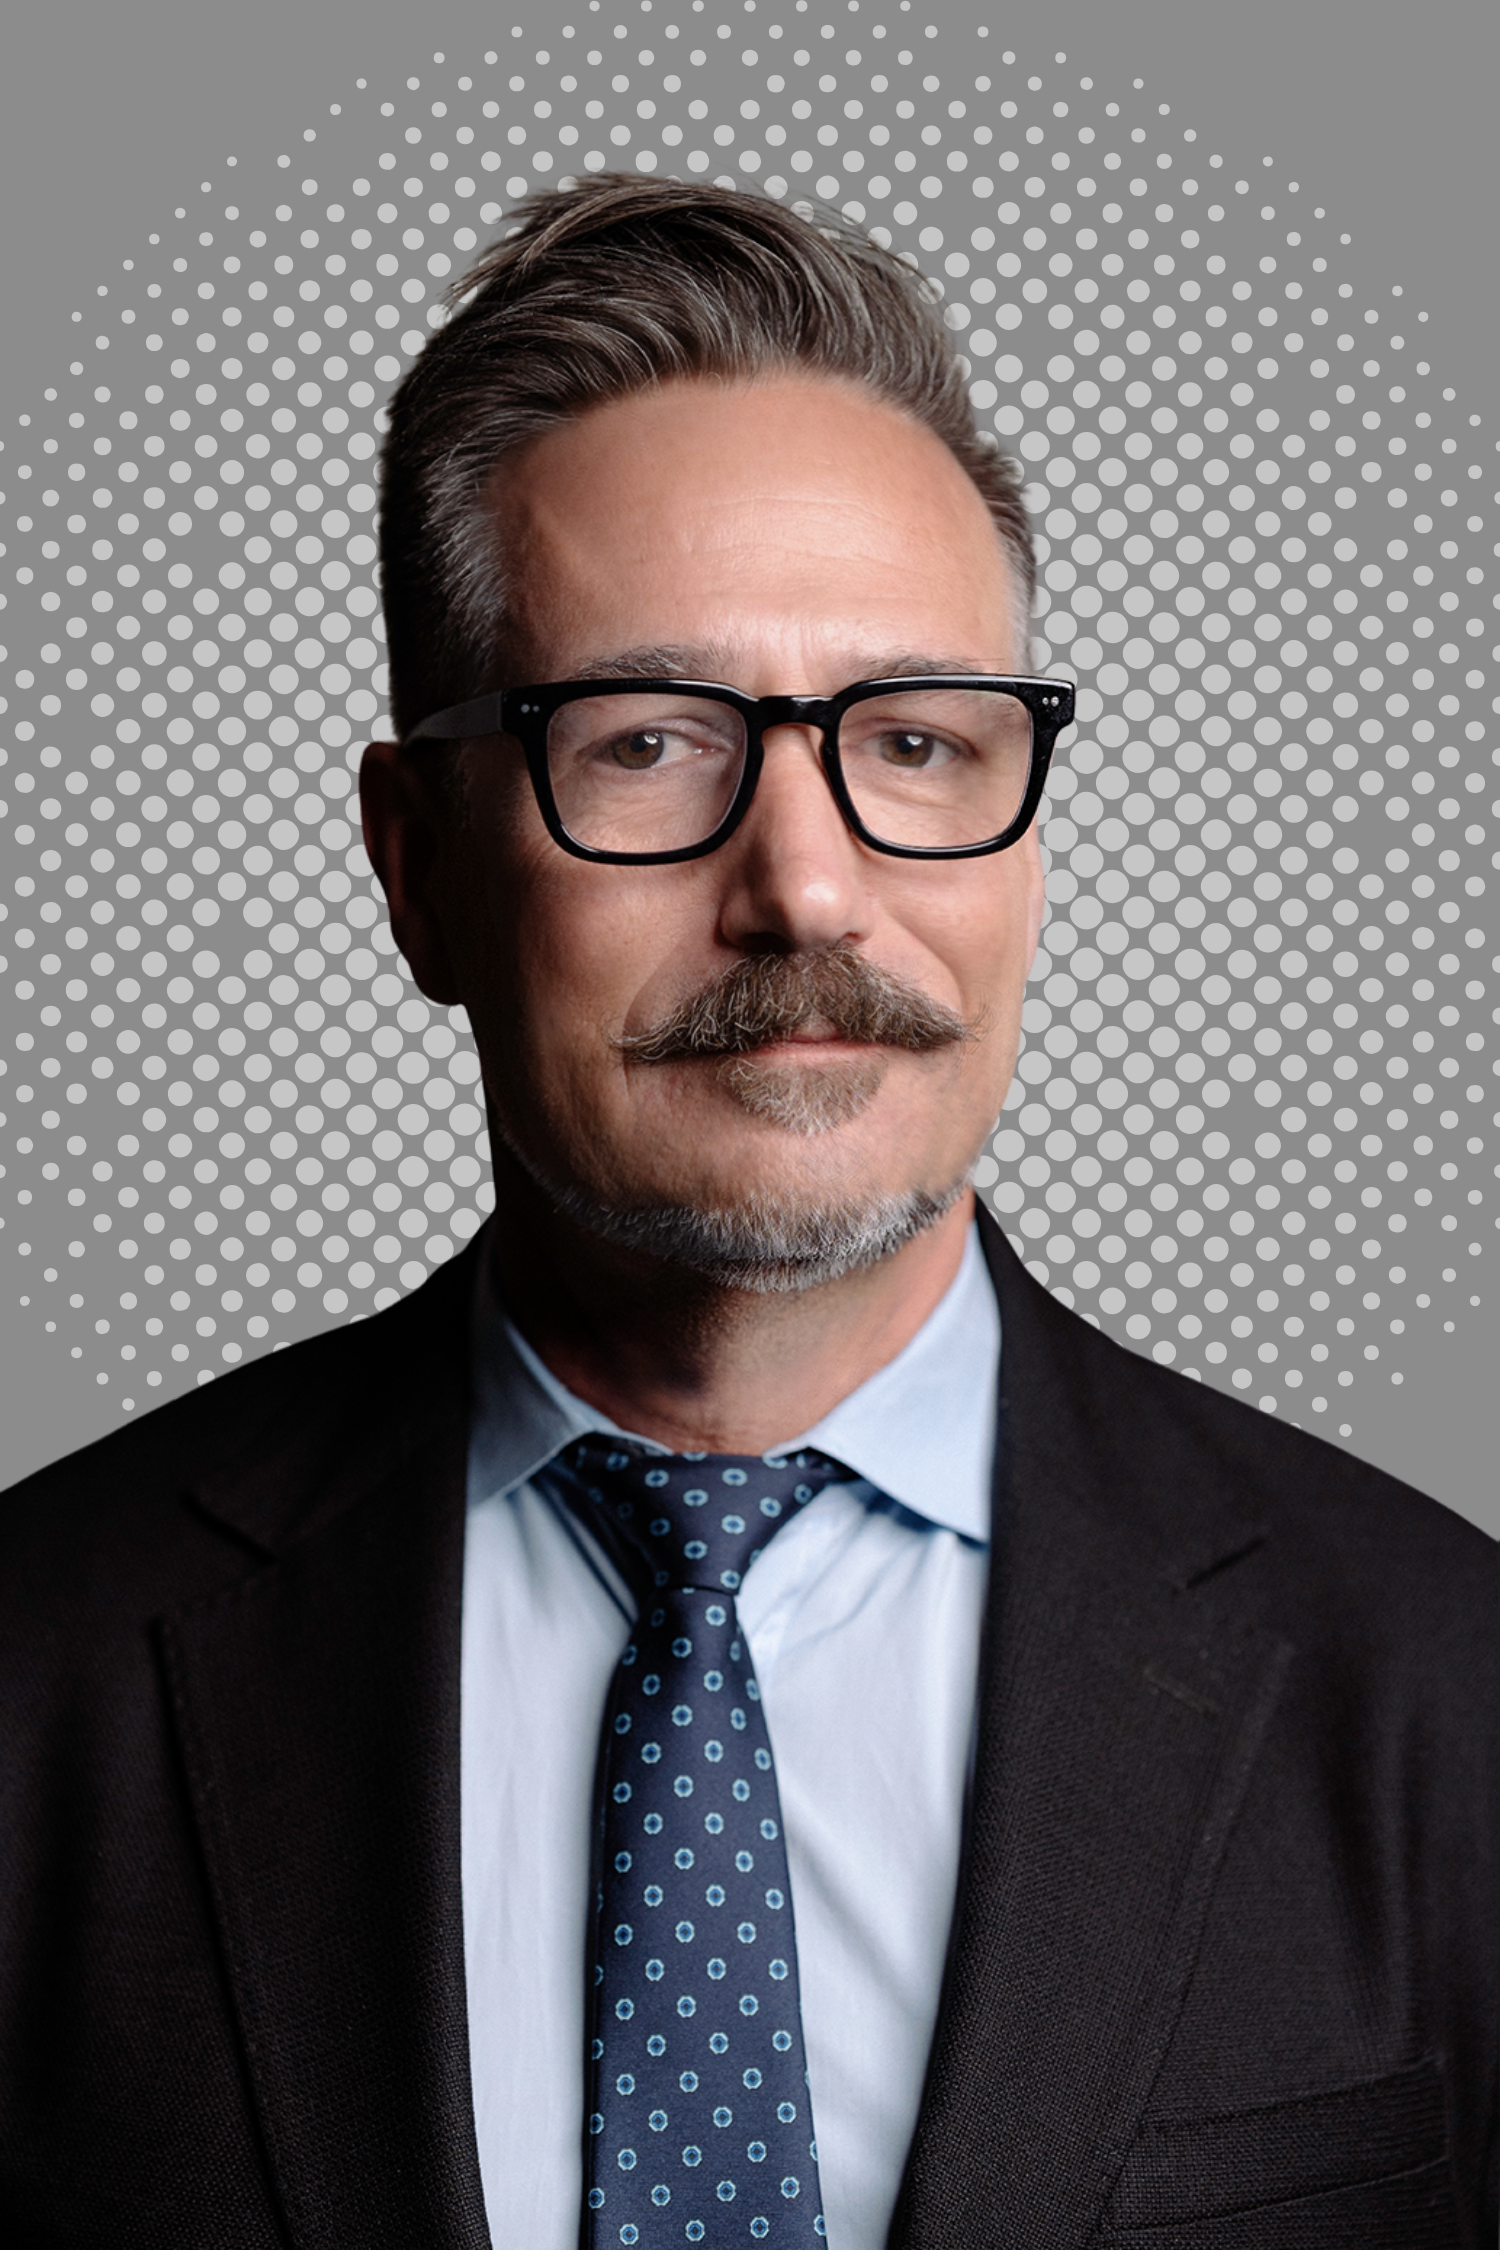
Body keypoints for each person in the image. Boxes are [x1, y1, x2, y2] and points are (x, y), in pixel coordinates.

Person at [0, 177, 1492, 2250]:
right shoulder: (37, 1669)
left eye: (917, 740)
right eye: (644, 743)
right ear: (416, 865)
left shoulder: (1445, 1688)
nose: (806, 885)